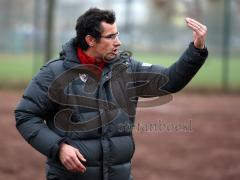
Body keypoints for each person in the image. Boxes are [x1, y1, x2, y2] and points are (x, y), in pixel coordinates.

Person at [15, 7, 208, 180]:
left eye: (117, 35)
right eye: (111, 37)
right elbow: (26, 115)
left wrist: (196, 49)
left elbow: (169, 81)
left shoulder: (127, 68)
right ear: (90, 40)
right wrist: (59, 148)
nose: (118, 42)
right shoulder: (53, 73)